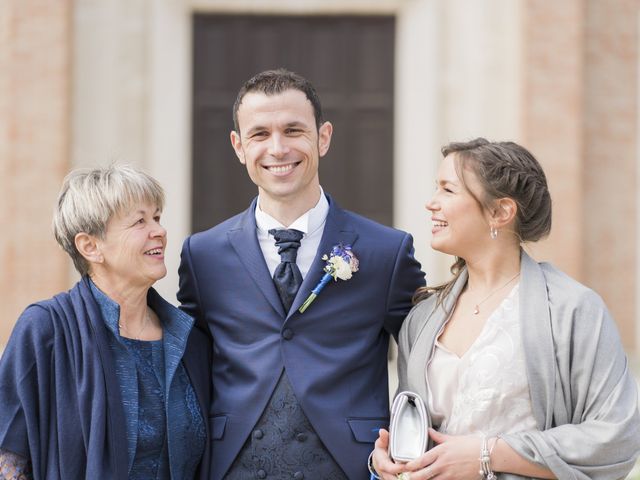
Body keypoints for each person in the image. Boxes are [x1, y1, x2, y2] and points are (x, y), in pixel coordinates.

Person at [178, 68, 425, 479]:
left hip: (351, 466)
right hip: (230, 466)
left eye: (293, 130)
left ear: (323, 137)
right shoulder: (203, 254)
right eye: (259, 134)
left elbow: (428, 359)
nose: (277, 148)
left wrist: (406, 442)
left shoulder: (387, 251)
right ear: (238, 146)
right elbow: (188, 363)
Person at [370, 138, 640, 479]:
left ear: (500, 212)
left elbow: (615, 437)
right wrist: (391, 457)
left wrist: (487, 454)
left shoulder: (573, 310)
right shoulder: (422, 319)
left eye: (448, 190)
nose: (431, 203)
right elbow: (414, 432)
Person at [0, 165, 212, 480]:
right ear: (90, 246)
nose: (159, 230)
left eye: (157, 217)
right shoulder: (46, 329)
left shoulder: (189, 339)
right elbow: (8, 458)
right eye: (140, 221)